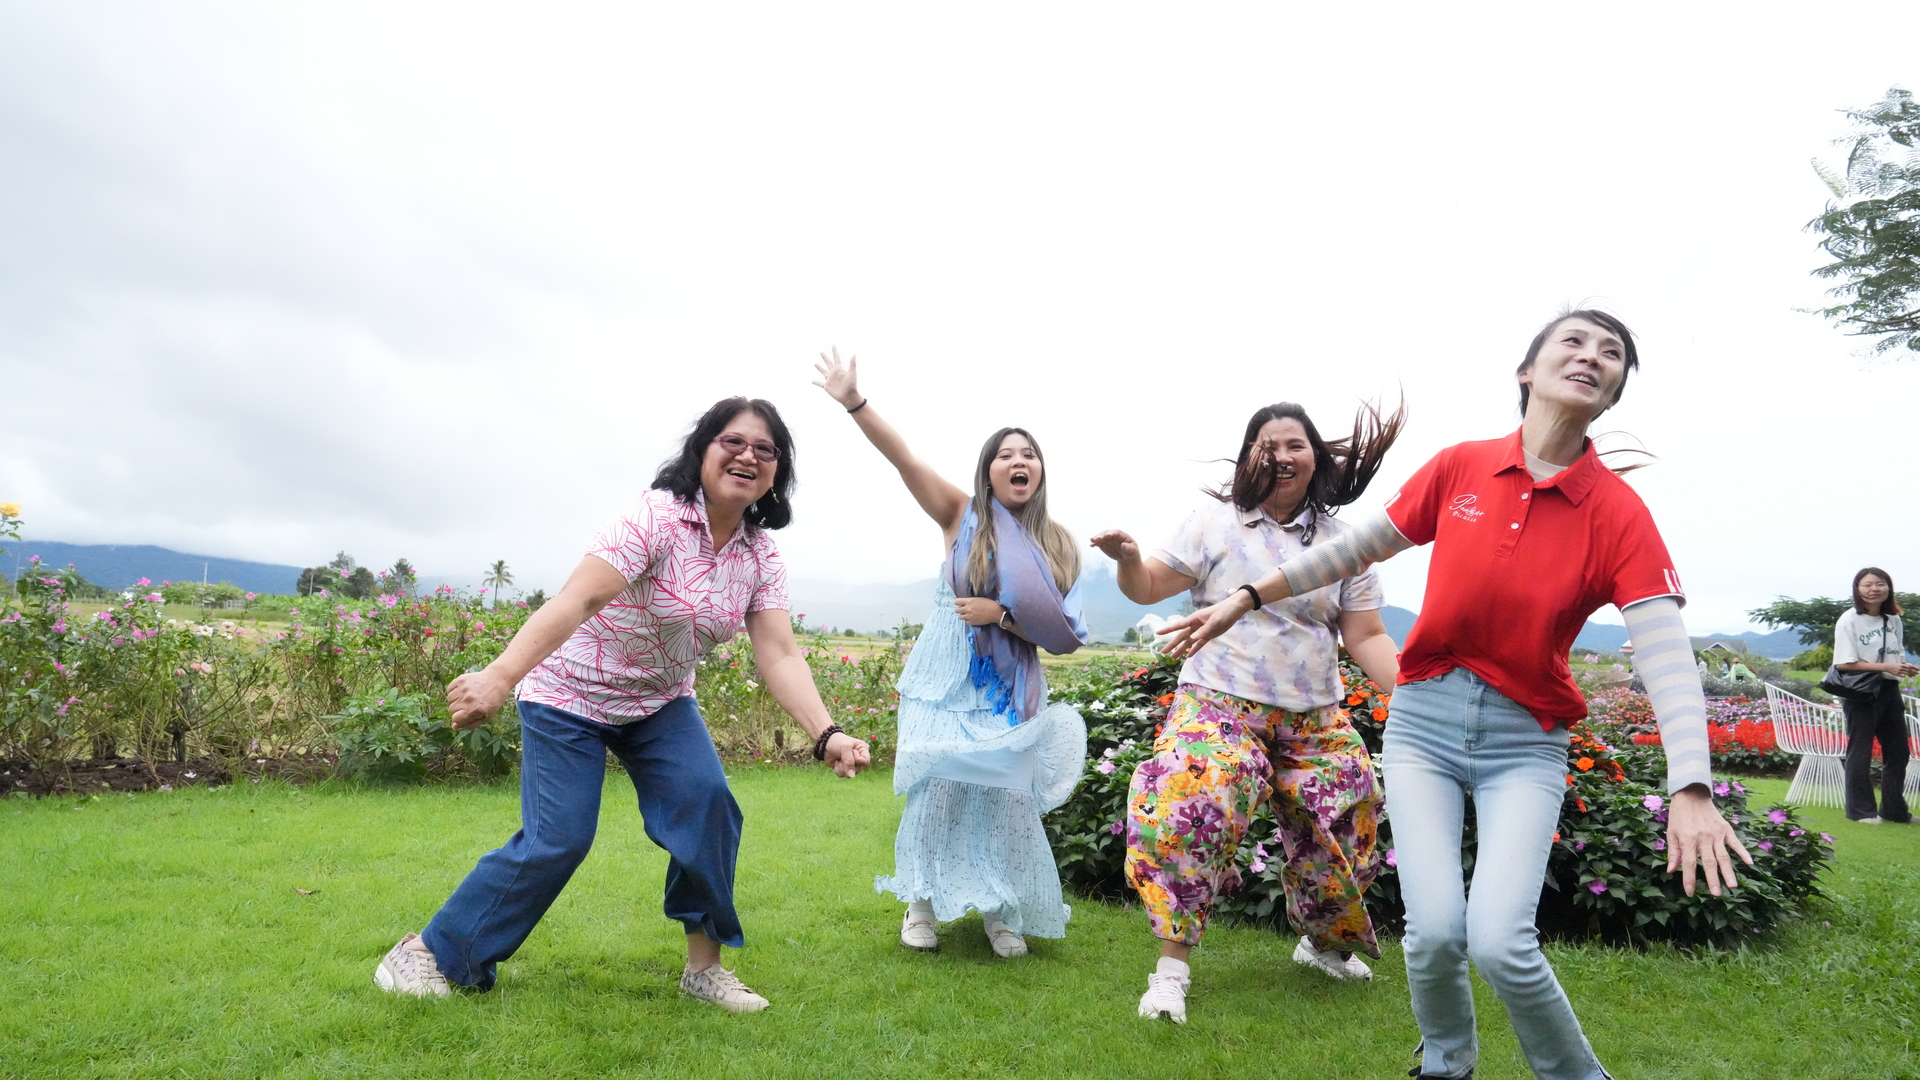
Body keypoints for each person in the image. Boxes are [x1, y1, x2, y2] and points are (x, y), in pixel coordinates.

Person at [1159, 309, 1749, 1080]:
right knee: (1434, 933)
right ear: (1527, 372)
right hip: (1424, 726)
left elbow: (1666, 655)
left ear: (1612, 394)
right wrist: (1246, 597)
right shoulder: (1461, 468)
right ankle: (1446, 1063)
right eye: (1573, 342)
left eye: (1612, 354)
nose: (1592, 356)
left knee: (1502, 941)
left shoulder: (1618, 514)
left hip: (1524, 741)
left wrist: (1691, 785)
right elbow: (1353, 549)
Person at [372, 396, 872, 1011]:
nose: (748, 456)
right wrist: (500, 676)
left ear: (776, 472)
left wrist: (826, 734)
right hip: (569, 693)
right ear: (703, 450)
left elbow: (780, 654)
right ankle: (428, 952)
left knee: (708, 805)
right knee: (559, 838)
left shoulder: (758, 555)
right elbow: (577, 600)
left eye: (765, 450)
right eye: (733, 442)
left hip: (658, 703)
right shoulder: (654, 517)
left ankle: (704, 969)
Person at [1089, 400, 1405, 1025]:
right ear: (1247, 458)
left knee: (1352, 812)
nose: (1282, 456)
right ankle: (1171, 972)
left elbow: (1366, 634)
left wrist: (1415, 693)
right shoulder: (1214, 524)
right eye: (1268, 445)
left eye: (1295, 445)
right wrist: (1127, 558)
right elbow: (1147, 586)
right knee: (1192, 798)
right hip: (1217, 702)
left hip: (1313, 716)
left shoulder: (1344, 543)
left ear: (1316, 459)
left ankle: (1322, 946)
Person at [812, 348, 1088, 958]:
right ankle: (920, 903)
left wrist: (1002, 617)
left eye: (1028, 454)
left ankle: (1001, 911)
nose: (1018, 461)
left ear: (1041, 470)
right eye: (1005, 454)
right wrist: (855, 402)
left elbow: (1061, 634)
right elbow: (904, 459)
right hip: (943, 677)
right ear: (987, 472)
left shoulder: (1057, 543)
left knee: (1006, 798)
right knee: (937, 789)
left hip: (1006, 688)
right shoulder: (962, 515)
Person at [1833, 566, 1916, 824]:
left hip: (1889, 689)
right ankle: (1861, 811)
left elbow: (1895, 654)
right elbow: (1843, 663)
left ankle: (1894, 810)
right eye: (1867, 584)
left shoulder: (1893, 619)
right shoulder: (1849, 619)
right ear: (1857, 589)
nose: (1874, 589)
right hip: (1860, 691)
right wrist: (1887, 667)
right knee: (1861, 750)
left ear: (1888, 588)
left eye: (1880, 584)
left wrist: (1903, 667)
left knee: (1899, 751)